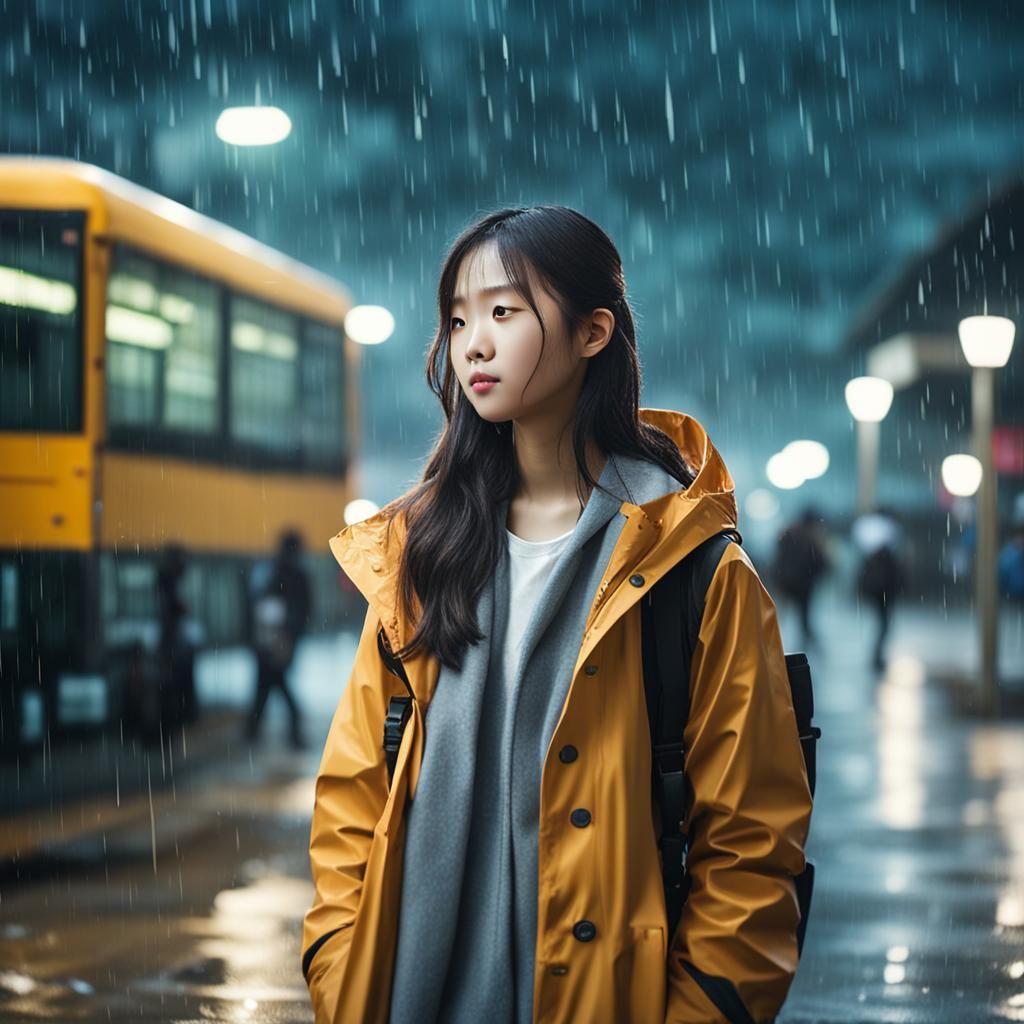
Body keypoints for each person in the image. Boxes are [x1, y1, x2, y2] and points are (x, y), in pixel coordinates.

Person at [302, 207, 812, 1023]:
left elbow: (752, 847)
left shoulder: (694, 570)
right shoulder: (417, 559)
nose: (473, 342)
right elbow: (350, 805)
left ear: (592, 331)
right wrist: (340, 972)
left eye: (504, 312)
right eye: (459, 318)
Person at [245, 529, 311, 750]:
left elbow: (260, 605)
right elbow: (301, 612)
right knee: (273, 688)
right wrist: (290, 638)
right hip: (279, 642)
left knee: (267, 688)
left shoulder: (272, 570)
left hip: (269, 642)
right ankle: (290, 735)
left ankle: (253, 733)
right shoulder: (294, 574)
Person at [772, 505, 831, 650]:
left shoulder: (787, 533)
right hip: (804, 585)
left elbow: (778, 557)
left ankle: (771, 645)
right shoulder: (812, 538)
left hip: (785, 582)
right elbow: (821, 562)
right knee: (804, 616)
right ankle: (808, 645)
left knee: (778, 615)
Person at [156, 542, 197, 732]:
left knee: (176, 680)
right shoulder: (168, 581)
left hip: (173, 639)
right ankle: (178, 717)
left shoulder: (170, 580)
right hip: (172, 640)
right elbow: (169, 610)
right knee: (175, 680)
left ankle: (179, 716)